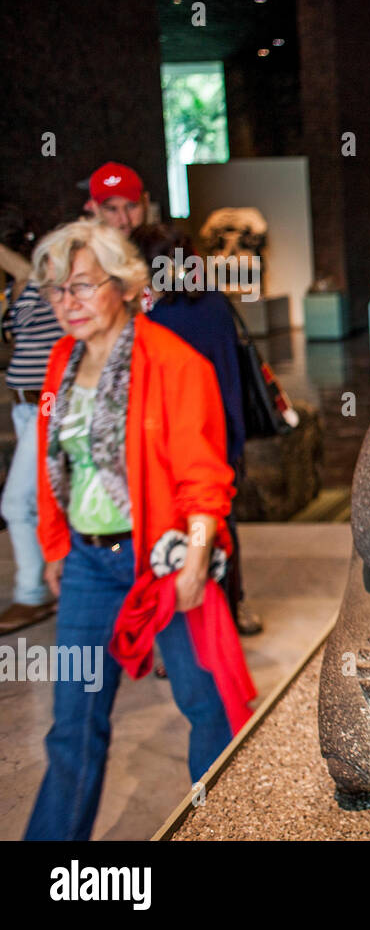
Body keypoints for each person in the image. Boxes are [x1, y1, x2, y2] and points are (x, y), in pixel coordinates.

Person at [23, 220, 249, 840]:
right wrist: (54, 545)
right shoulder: (61, 361)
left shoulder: (175, 363)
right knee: (72, 723)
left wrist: (197, 560)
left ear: (122, 284)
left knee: (207, 709)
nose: (66, 304)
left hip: (164, 559)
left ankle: (223, 826)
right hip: (90, 565)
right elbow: (55, 460)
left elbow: (206, 477)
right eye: (53, 291)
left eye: (80, 287)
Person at [131, 222, 258, 634]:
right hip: (218, 438)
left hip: (176, 444)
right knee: (221, 528)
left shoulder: (155, 318)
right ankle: (230, 611)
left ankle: (182, 626)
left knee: (174, 529)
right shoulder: (212, 304)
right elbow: (231, 381)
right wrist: (234, 441)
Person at [0, 214, 64, 634]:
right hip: (21, 407)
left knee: (16, 502)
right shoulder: (17, 290)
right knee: (43, 498)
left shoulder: (51, 284)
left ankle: (32, 593)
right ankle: (54, 579)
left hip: (47, 405)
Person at [85, 162, 148, 235]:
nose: (125, 221)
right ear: (95, 209)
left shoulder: (162, 243)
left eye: (131, 206)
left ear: (146, 201)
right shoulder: (87, 245)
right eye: (112, 209)